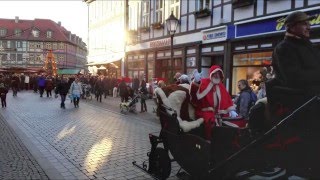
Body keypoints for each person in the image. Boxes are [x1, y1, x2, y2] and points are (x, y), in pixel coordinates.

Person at [272, 11, 320, 96]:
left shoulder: (307, 45)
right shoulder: (284, 48)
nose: (309, 27)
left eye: (309, 24)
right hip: (304, 101)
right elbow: (294, 79)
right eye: (304, 24)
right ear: (291, 27)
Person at [190, 65, 237, 140]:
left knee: (232, 123)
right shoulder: (204, 82)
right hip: (204, 112)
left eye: (218, 74)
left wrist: (231, 110)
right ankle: (210, 141)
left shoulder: (221, 86)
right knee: (210, 121)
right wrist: (196, 82)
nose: (217, 75)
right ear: (211, 74)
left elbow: (226, 98)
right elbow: (194, 95)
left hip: (218, 113)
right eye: (215, 73)